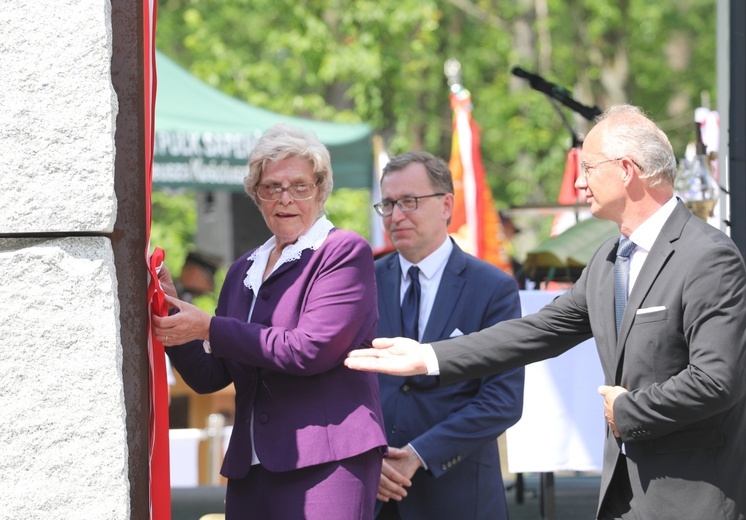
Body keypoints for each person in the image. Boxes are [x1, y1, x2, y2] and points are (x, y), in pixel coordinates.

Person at [346, 105, 746, 520]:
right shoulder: (610, 258)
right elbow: (538, 330)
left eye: (588, 167)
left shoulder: (708, 255)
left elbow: (717, 381)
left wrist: (629, 412)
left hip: (693, 495)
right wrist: (428, 357)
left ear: (626, 169)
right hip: (625, 497)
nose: (579, 181)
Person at [153, 123, 387, 520]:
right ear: (256, 196)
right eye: (271, 187)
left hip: (327, 462)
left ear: (321, 188)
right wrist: (170, 311)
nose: (285, 198)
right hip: (251, 466)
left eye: (299, 186)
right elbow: (212, 375)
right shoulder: (243, 268)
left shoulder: (343, 252)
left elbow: (309, 349)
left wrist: (208, 327)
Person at [371, 151, 524, 519]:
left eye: (409, 201)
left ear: (446, 205)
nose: (396, 215)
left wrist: (419, 454)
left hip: (457, 495)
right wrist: (365, 457)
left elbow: (502, 400)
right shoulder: (362, 282)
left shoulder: (492, 289)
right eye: (388, 204)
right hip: (373, 492)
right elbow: (340, 386)